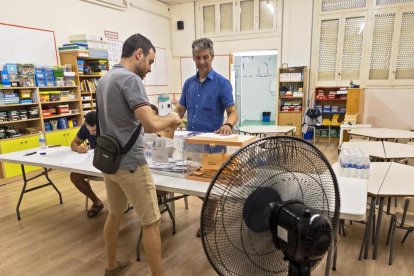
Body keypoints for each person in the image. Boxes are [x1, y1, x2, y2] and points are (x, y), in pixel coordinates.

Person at [96, 33, 181, 276]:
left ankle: (111, 266)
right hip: (131, 163)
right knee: (151, 222)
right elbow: (151, 123)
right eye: (151, 61)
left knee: (114, 214)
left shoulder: (105, 79)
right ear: (139, 54)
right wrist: (172, 118)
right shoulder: (131, 80)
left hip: (110, 163)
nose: (150, 68)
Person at [175, 38, 238, 237]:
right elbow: (180, 110)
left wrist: (228, 124)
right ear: (193, 58)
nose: (202, 61)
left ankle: (209, 220)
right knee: (191, 182)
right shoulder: (188, 84)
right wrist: (168, 121)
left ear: (212, 56)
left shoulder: (222, 83)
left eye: (205, 57)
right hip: (191, 145)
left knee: (211, 185)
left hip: (213, 146)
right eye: (198, 57)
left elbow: (233, 112)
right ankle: (210, 211)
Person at [69, 111, 103, 218]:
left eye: (96, 130)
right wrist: (78, 148)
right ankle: (96, 202)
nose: (94, 133)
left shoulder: (108, 126)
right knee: (74, 176)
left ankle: (120, 205)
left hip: (109, 163)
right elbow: (73, 143)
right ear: (86, 125)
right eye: (91, 131)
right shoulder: (85, 128)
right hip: (92, 163)